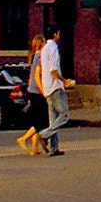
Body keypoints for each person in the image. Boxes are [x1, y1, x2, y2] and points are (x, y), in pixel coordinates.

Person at [34, 25, 74, 157]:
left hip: (47, 88)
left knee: (53, 118)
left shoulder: (44, 49)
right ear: (55, 35)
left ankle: (53, 148)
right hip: (55, 87)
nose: (59, 35)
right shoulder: (54, 48)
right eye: (59, 33)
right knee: (64, 115)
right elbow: (54, 71)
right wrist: (65, 81)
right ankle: (44, 135)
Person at [17, 34, 47, 154]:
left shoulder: (34, 56)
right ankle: (23, 139)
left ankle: (35, 147)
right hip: (37, 92)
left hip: (32, 91)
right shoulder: (40, 57)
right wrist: (43, 91)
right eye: (44, 42)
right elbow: (36, 76)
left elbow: (31, 77)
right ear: (42, 43)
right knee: (43, 120)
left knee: (37, 120)